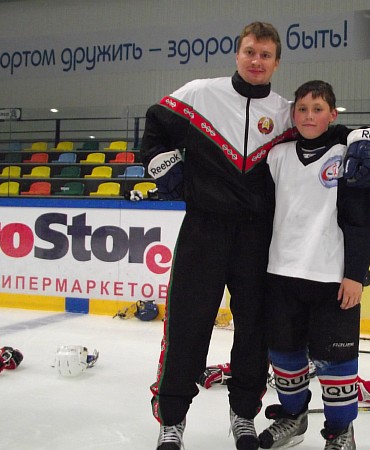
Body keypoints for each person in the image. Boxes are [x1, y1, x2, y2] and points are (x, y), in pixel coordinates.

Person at [140, 22, 297, 450]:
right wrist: (164, 168)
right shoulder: (199, 94)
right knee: (186, 326)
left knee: (254, 330)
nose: (256, 61)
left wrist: (369, 140)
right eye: (250, 52)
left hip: (258, 238)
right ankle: (171, 420)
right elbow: (154, 127)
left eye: (265, 55)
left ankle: (244, 414)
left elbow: (327, 131)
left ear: (277, 62)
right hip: (203, 231)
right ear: (237, 54)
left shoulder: (286, 113)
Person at [258, 80, 370, 450]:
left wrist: (355, 275)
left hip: (331, 278)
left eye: (318, 109)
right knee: (284, 356)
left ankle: (340, 430)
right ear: (292, 114)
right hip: (281, 275)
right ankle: (293, 416)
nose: (309, 116)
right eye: (302, 109)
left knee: (336, 362)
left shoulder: (349, 154)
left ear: (333, 114)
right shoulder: (277, 155)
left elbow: (363, 222)